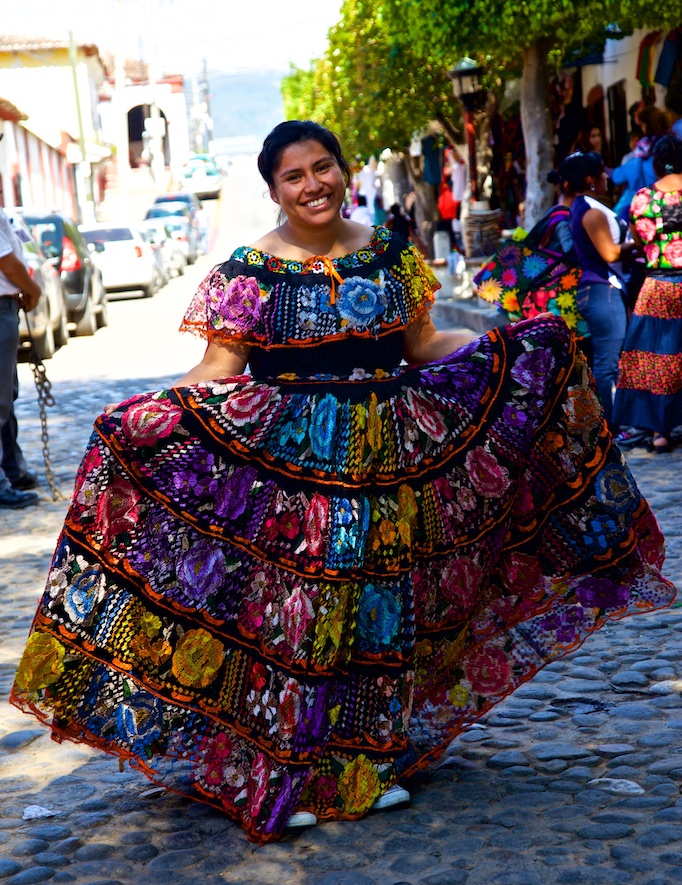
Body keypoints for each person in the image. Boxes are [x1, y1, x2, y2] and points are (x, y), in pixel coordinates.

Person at [11, 120, 674, 845]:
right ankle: (279, 774)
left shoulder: (390, 255)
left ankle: (364, 770)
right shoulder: (246, 273)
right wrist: (141, 417)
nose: (312, 185)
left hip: (387, 468)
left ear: (341, 168)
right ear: (274, 190)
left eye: (322, 167)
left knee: (377, 617)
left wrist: (509, 340)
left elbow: (423, 346)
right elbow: (218, 372)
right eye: (293, 176)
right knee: (294, 622)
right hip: (287, 480)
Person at [613, 135, 682, 453]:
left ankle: (660, 431)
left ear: (654, 164)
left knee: (656, 359)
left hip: (657, 288)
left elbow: (640, 245)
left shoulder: (642, 199)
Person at [568, 151, 630, 427]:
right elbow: (611, 253)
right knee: (608, 366)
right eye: (602, 172)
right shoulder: (591, 212)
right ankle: (610, 427)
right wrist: (640, 240)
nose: (607, 176)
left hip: (596, 291)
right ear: (591, 179)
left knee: (608, 363)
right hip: (602, 291)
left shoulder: (583, 206)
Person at [0, 204, 42, 509]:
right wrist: (33, 290)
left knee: (6, 396)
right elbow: (7, 263)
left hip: (7, 306)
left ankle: (14, 471)